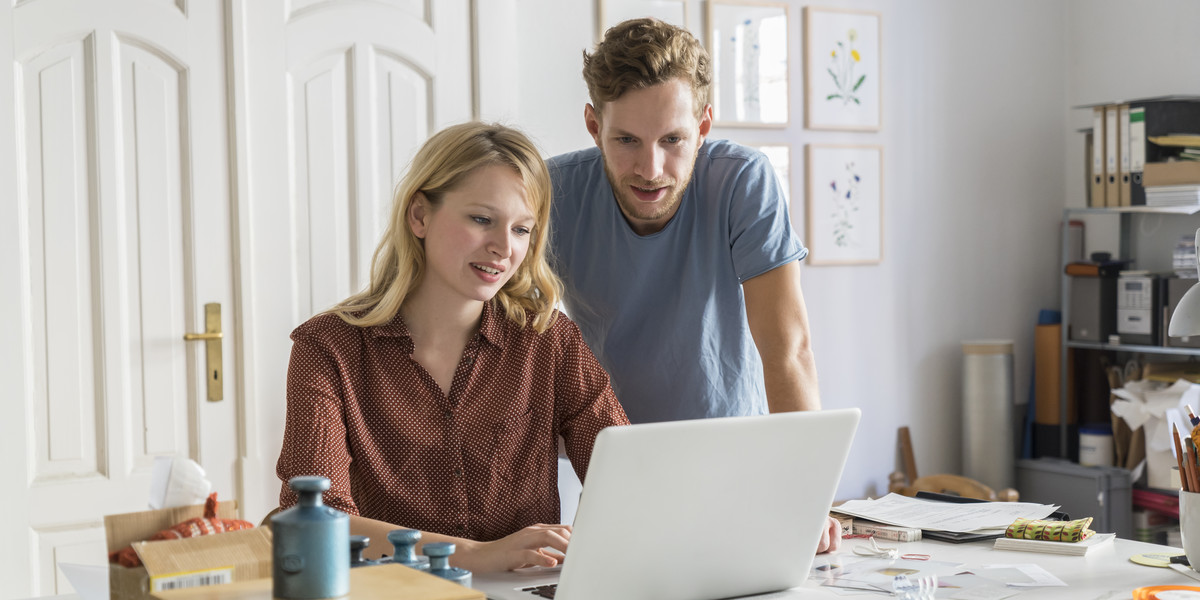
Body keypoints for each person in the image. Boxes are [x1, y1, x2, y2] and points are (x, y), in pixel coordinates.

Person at [276, 122, 630, 573]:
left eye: (522, 229)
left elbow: (625, 477)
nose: (504, 247)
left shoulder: (550, 341)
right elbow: (312, 523)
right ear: (419, 216)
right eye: (482, 219)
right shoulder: (327, 349)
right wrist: (473, 557)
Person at [548, 18, 838, 552]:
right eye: (626, 140)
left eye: (673, 140)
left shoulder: (741, 181)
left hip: (737, 461)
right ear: (593, 125)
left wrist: (805, 492)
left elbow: (788, 349)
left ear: (703, 126)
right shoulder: (554, 192)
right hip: (618, 470)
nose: (651, 168)